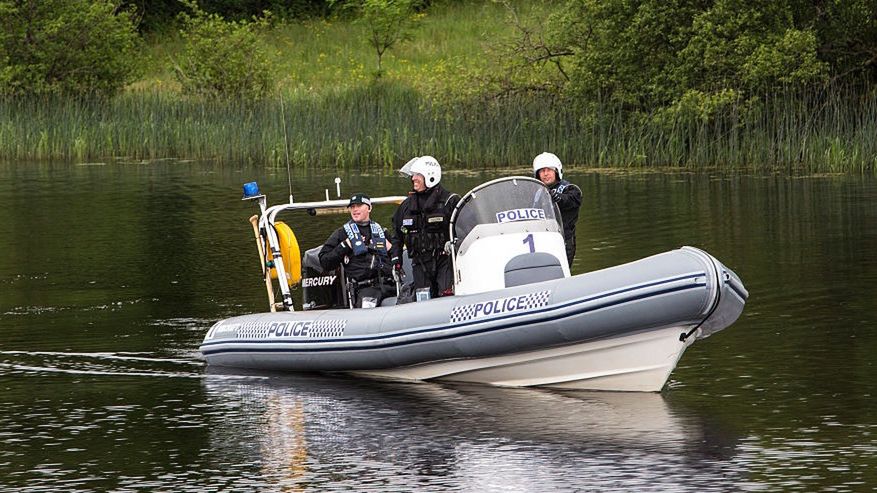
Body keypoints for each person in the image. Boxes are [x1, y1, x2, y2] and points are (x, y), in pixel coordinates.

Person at [391, 156, 460, 299]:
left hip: (444, 261)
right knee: (423, 301)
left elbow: (465, 229)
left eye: (417, 175)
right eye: (413, 175)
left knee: (446, 297)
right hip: (419, 263)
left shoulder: (450, 202)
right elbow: (397, 235)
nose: (413, 178)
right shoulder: (406, 206)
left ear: (430, 176)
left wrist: (454, 243)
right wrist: (396, 261)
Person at [319, 193, 395, 308]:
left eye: (359, 206)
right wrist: (345, 245)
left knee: (409, 297)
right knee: (368, 308)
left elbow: (397, 258)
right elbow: (325, 261)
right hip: (365, 289)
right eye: (352, 207)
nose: (355, 209)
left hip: (390, 285)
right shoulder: (342, 233)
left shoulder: (381, 231)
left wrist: (391, 249)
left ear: (369, 208)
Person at [533, 152, 582, 266]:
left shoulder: (571, 189)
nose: (545, 174)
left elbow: (570, 200)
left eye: (549, 170)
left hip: (563, 241)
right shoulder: (537, 193)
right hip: (542, 240)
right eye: (542, 171)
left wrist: (557, 198)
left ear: (556, 171)